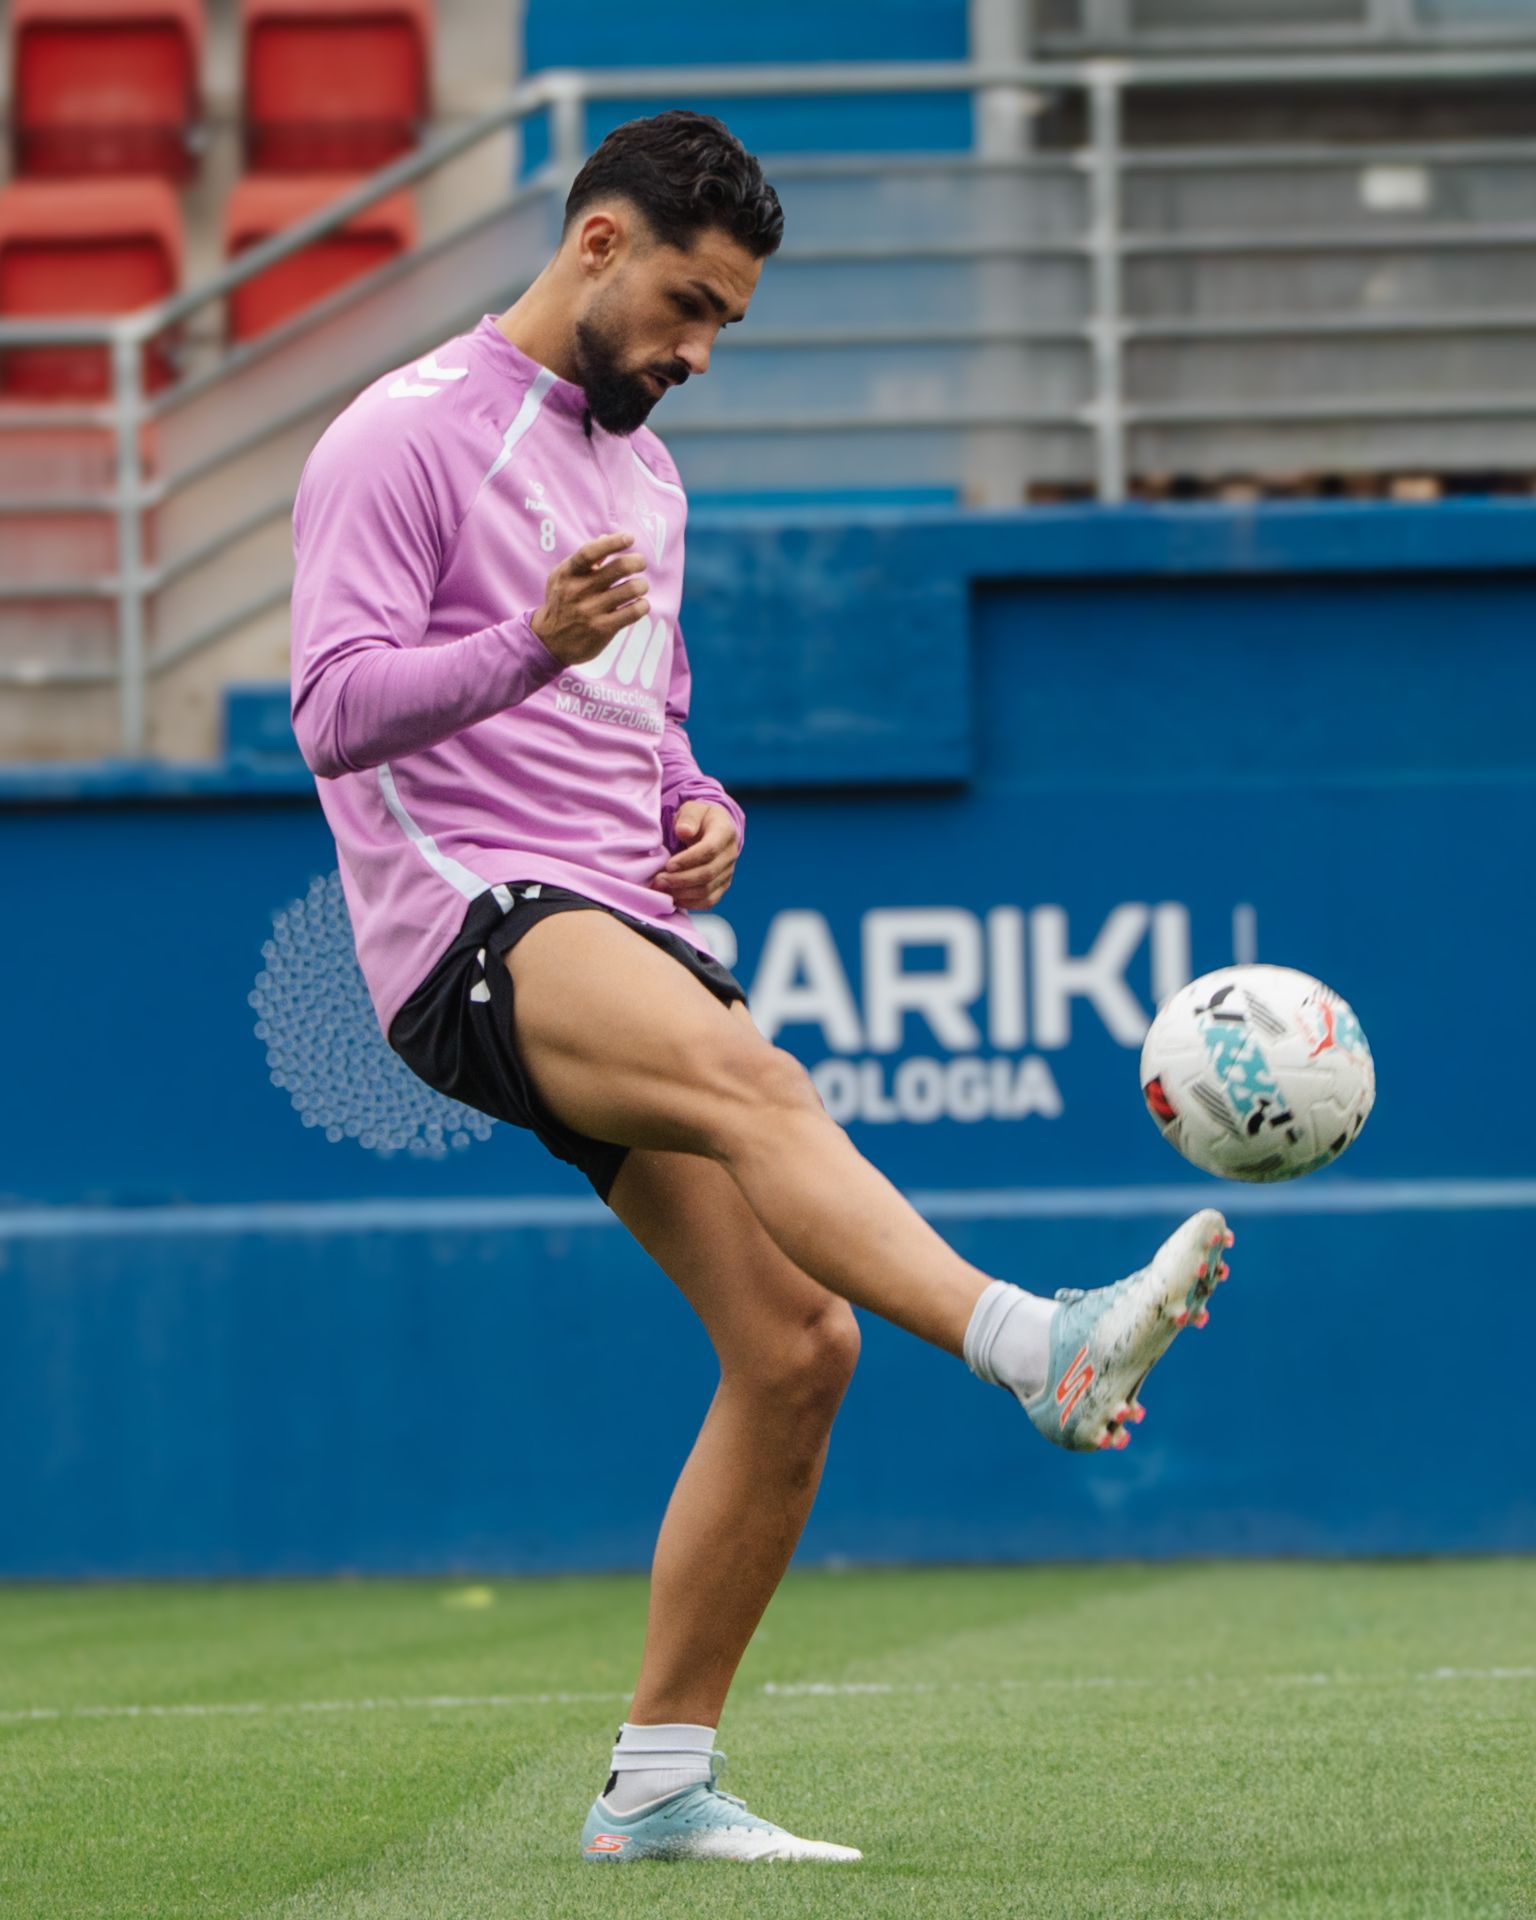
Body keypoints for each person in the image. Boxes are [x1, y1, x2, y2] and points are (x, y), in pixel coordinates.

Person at [289, 108, 1234, 1866]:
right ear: (594, 244)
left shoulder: (646, 477)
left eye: (726, 322)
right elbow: (331, 708)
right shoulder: (399, 438)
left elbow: (656, 723)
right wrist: (525, 648)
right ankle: (1036, 1344)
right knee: (767, 1089)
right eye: (686, 304)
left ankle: (655, 1787)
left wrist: (701, 809)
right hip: (469, 922)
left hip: (624, 923)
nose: (700, 350)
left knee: (796, 1348)